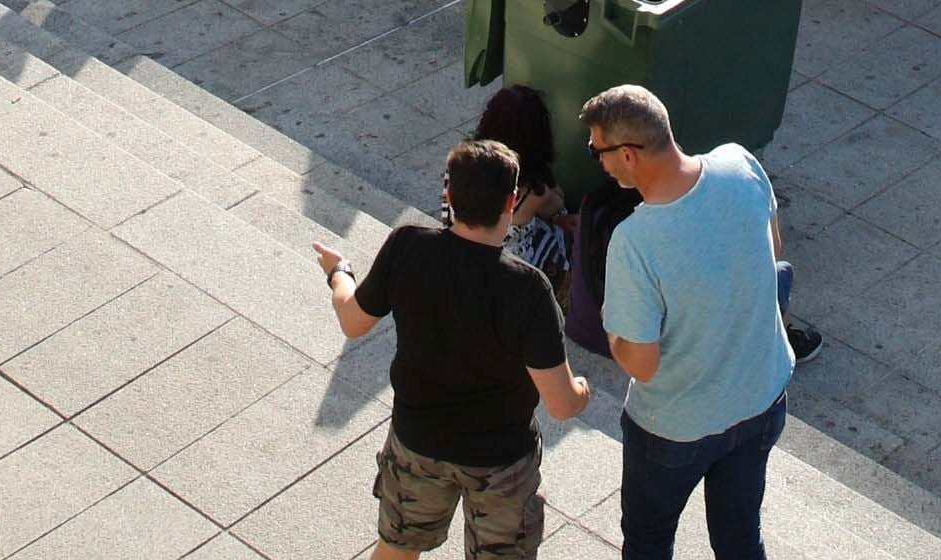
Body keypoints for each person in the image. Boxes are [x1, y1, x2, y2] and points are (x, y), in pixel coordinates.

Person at [321, 134, 586, 560]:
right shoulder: (529, 289)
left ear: (449, 195)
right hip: (501, 465)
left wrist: (339, 272)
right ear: (511, 201)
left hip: (417, 444)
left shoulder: (407, 246)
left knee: (396, 550)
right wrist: (583, 391)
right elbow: (561, 405)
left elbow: (353, 321)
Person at [582, 86, 793, 560]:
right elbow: (774, 254)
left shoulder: (636, 241)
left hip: (675, 428)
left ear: (629, 155)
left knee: (649, 542)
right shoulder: (740, 164)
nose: (599, 161)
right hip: (762, 398)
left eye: (598, 150)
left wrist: (612, 329)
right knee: (740, 539)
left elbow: (643, 364)